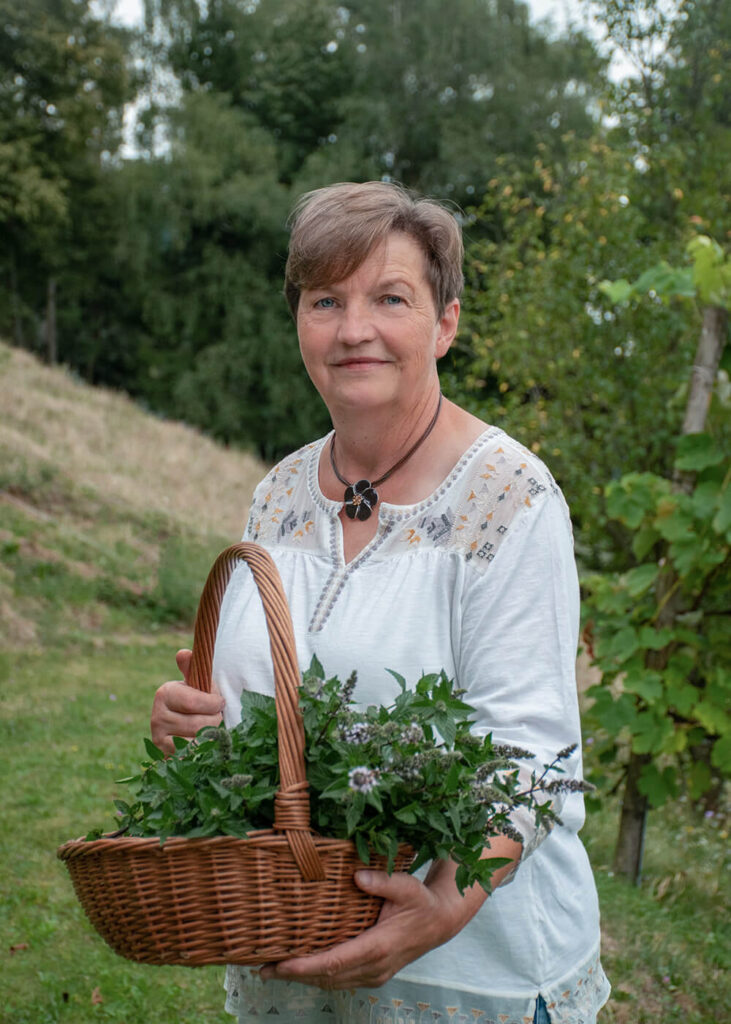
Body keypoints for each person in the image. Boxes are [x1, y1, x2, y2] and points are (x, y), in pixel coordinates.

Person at [151, 181, 610, 1024]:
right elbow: (271, 721)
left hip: (469, 977)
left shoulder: (510, 499)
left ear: (445, 325)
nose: (353, 329)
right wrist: (200, 726)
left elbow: (530, 751)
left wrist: (443, 908)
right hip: (292, 956)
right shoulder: (280, 492)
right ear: (298, 322)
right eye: (326, 300)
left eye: (388, 298)